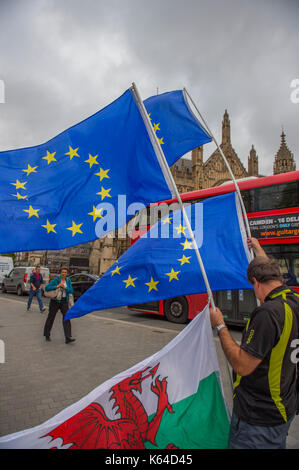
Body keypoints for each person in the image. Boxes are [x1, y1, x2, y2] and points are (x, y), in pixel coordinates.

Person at [210, 237, 299, 449]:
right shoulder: (292, 301)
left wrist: (221, 326)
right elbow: (270, 273)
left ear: (256, 283)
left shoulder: (268, 314)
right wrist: (258, 249)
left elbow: (242, 365)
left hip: (259, 417)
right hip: (283, 408)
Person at [43, 266, 75, 344]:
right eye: (62, 272)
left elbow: (71, 290)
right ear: (60, 273)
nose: (64, 273)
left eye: (65, 272)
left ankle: (68, 337)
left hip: (64, 301)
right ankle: (47, 335)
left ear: (67, 274)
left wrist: (65, 288)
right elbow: (47, 288)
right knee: (51, 317)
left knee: (67, 318)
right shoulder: (56, 279)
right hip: (55, 301)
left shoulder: (68, 280)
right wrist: (57, 286)